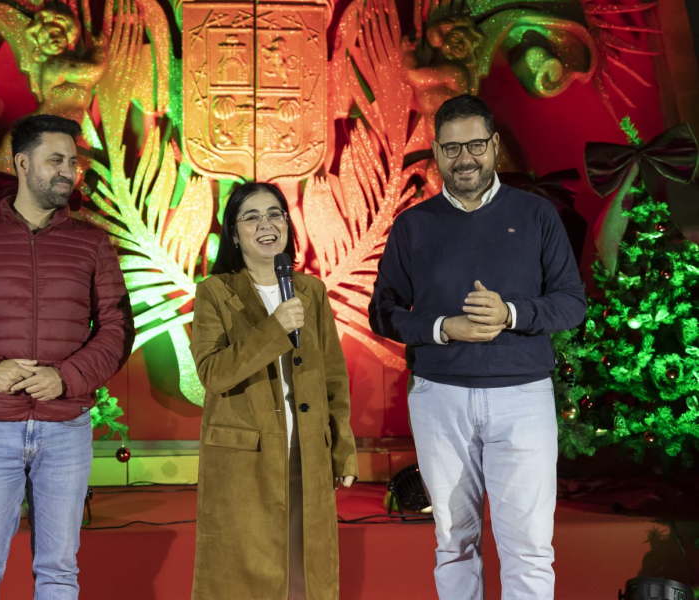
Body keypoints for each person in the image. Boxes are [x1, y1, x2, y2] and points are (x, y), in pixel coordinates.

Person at [368, 94, 586, 599]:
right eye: (450, 149)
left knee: (529, 547)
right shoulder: (413, 225)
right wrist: (444, 327)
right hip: (439, 398)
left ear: (494, 147)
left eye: (474, 145)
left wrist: (512, 313)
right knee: (454, 543)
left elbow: (572, 304)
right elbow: (383, 312)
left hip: (524, 397)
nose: (463, 159)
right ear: (436, 153)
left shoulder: (536, 215)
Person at [0, 114, 134, 599]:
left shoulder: (92, 243)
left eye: (72, 163)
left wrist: (68, 378)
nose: (68, 171)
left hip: (67, 429)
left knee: (59, 571)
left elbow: (118, 328)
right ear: (22, 163)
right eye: (55, 160)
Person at [190, 182, 358, 600]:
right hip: (243, 457)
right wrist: (274, 328)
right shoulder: (214, 292)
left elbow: (333, 377)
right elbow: (213, 373)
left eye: (275, 214)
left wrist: (343, 448)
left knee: (306, 568)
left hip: (308, 452)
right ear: (233, 233)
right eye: (252, 217)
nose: (266, 224)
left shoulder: (310, 291)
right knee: (241, 574)